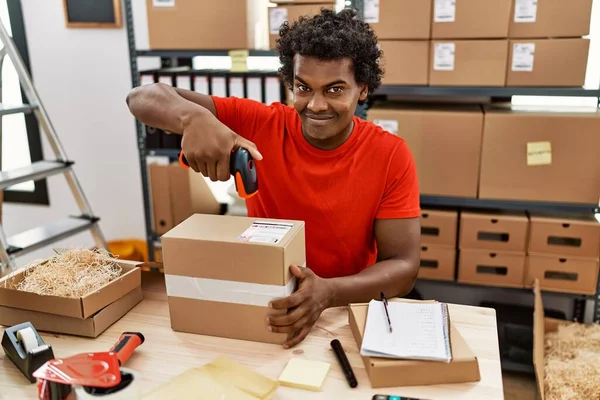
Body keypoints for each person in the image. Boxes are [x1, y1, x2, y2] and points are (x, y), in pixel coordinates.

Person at [126, 8, 421, 349]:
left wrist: (329, 291)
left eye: (335, 89)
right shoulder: (260, 123)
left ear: (363, 89)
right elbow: (140, 97)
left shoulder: (390, 155)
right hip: (266, 303)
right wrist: (193, 118)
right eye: (303, 87)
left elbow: (403, 266)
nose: (317, 104)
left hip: (345, 309)